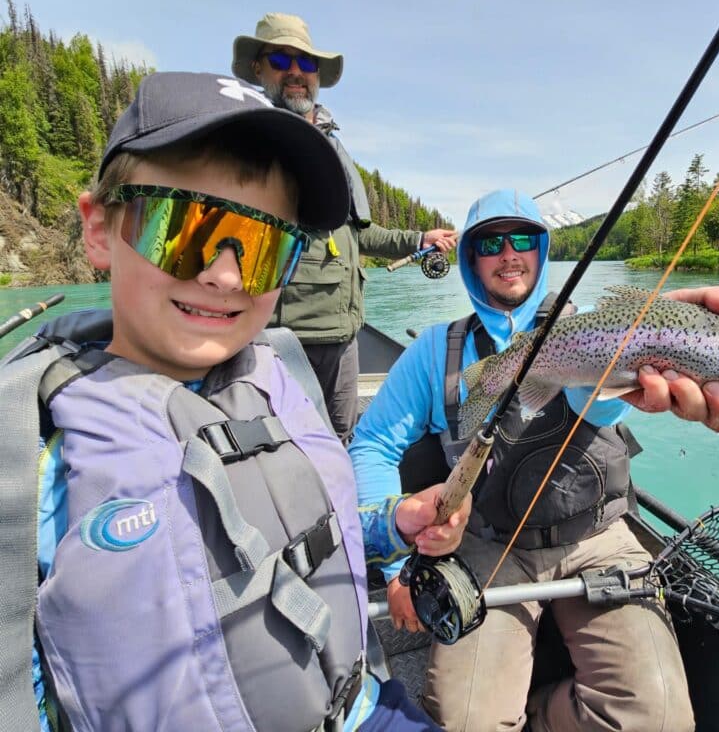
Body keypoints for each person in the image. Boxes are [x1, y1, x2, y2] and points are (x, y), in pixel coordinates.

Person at [3, 71, 470, 732]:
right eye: (185, 228)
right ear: (101, 230)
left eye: (259, 248)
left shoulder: (281, 380)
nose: (223, 274)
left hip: (361, 710)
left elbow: (308, 527)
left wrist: (394, 522)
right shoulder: (31, 448)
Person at [349, 188, 719, 732]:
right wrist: (399, 566)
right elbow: (373, 444)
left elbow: (618, 385)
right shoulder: (434, 351)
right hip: (487, 545)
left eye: (523, 238)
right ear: (470, 259)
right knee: (462, 725)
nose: (509, 253)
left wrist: (681, 335)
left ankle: (540, 713)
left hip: (598, 535)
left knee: (658, 720)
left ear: (542, 251)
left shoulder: (597, 326)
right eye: (490, 242)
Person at [231, 12, 457, 443]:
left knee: (341, 438)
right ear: (259, 69)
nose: (296, 72)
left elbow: (355, 234)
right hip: (280, 336)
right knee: (281, 443)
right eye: (280, 60)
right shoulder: (250, 140)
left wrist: (418, 240)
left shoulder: (334, 143)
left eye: (307, 63)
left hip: (343, 332)